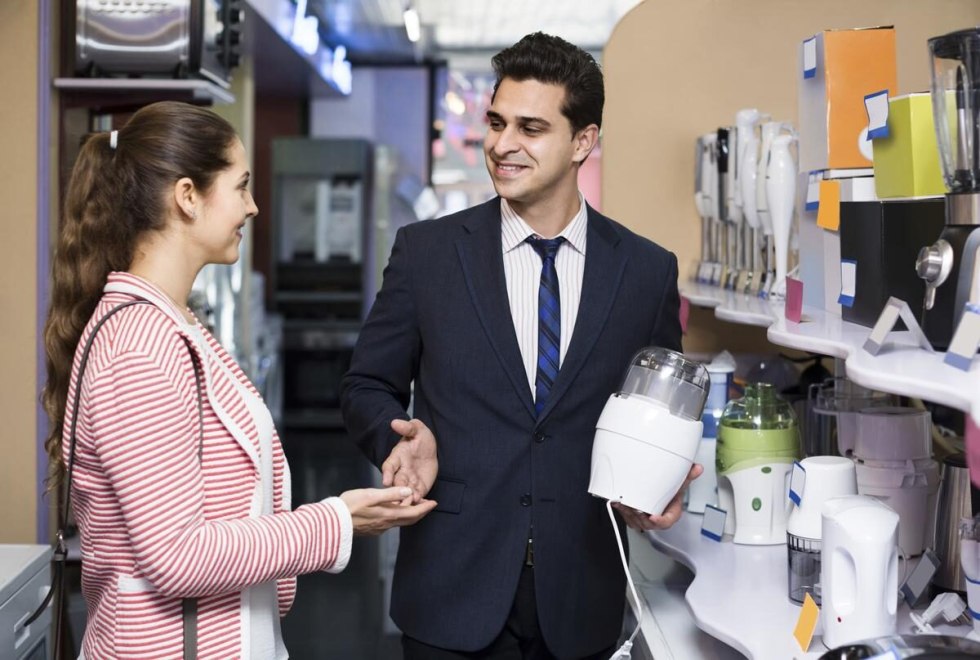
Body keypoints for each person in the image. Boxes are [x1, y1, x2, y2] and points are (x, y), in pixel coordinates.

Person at [340, 32, 701, 660]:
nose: (503, 145)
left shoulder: (644, 272)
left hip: (581, 594)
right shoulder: (427, 254)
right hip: (451, 589)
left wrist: (661, 482)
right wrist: (396, 437)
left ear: (582, 141)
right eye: (497, 122)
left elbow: (658, 411)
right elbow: (366, 385)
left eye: (531, 128)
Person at [41, 100, 436, 659]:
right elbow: (176, 556)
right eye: (241, 185)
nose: (253, 207)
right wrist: (335, 521)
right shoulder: (139, 347)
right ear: (186, 197)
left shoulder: (172, 325)